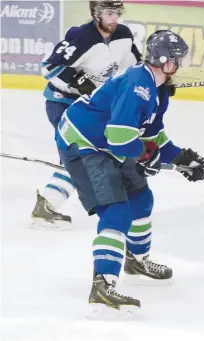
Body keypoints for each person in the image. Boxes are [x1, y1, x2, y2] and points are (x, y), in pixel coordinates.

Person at [55, 30, 204, 313]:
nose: (179, 64)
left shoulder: (158, 87)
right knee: (116, 211)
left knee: (141, 200)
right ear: (164, 60)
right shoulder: (137, 86)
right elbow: (119, 138)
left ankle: (136, 261)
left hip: (108, 143)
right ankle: (103, 286)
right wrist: (144, 156)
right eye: (176, 59)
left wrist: (182, 158)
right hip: (84, 143)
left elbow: (151, 135)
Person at [32, 0, 144, 228]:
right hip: (63, 102)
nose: (114, 19)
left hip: (89, 105)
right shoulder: (82, 37)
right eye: (109, 13)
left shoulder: (123, 35)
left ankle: (48, 203)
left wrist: (156, 83)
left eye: (117, 13)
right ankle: (49, 204)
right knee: (83, 156)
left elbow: (136, 67)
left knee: (95, 154)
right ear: (96, 13)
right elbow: (49, 66)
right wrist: (76, 80)